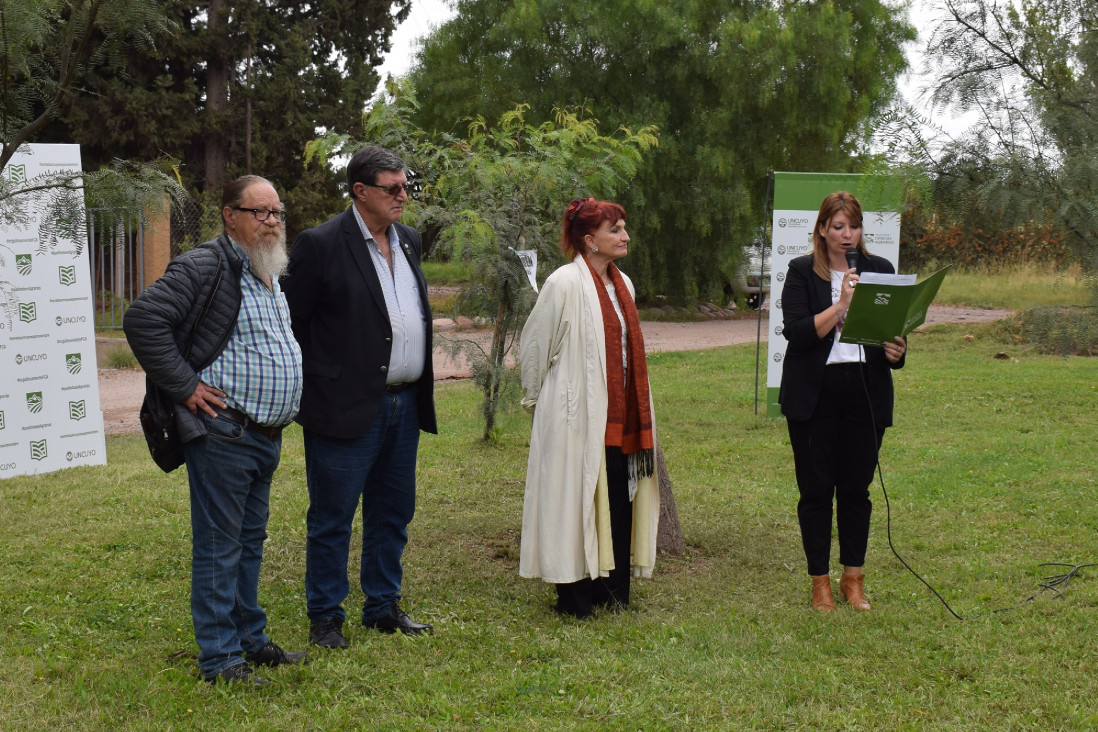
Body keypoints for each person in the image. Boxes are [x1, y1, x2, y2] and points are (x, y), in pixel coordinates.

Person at [123, 175, 307, 686]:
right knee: (220, 546)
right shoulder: (206, 264)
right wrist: (185, 387)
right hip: (225, 432)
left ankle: (250, 639)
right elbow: (143, 320)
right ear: (230, 215)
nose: (272, 222)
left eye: (277, 212)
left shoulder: (270, 268)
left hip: (264, 435)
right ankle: (221, 660)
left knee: (249, 543)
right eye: (260, 212)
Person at [282, 145, 437, 648]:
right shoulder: (321, 244)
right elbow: (294, 323)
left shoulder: (409, 240)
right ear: (361, 191)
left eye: (405, 186)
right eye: (392, 188)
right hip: (343, 406)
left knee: (393, 510)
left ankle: (382, 605)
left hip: (404, 402)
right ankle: (326, 617)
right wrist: (321, 383)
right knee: (333, 517)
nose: (402, 196)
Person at [518, 198, 660, 619]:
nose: (625, 236)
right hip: (574, 413)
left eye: (623, 228)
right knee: (573, 499)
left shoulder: (624, 285)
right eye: (615, 229)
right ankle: (574, 596)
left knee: (617, 496)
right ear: (589, 240)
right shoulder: (563, 282)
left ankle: (611, 589)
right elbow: (534, 347)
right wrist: (540, 401)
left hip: (620, 415)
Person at [778, 191, 907, 613]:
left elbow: (891, 332)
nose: (847, 235)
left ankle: (854, 580)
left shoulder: (880, 270)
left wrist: (898, 352)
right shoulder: (801, 272)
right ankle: (820, 583)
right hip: (815, 393)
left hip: (865, 391)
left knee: (856, 490)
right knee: (815, 491)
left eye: (853, 226)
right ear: (821, 230)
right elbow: (797, 334)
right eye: (838, 227)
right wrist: (842, 305)